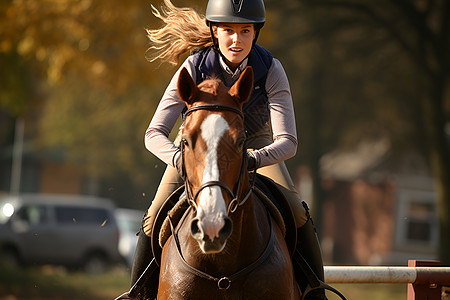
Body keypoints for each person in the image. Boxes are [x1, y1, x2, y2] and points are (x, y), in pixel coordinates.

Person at [130, 0, 327, 299]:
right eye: (229, 31)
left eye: (245, 31)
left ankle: (316, 293)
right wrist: (180, 160)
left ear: (256, 33)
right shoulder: (193, 67)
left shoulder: (270, 69)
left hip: (251, 142)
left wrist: (253, 159)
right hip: (197, 148)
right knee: (155, 213)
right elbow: (153, 133)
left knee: (297, 211)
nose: (237, 40)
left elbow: (288, 141)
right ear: (215, 31)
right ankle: (136, 293)